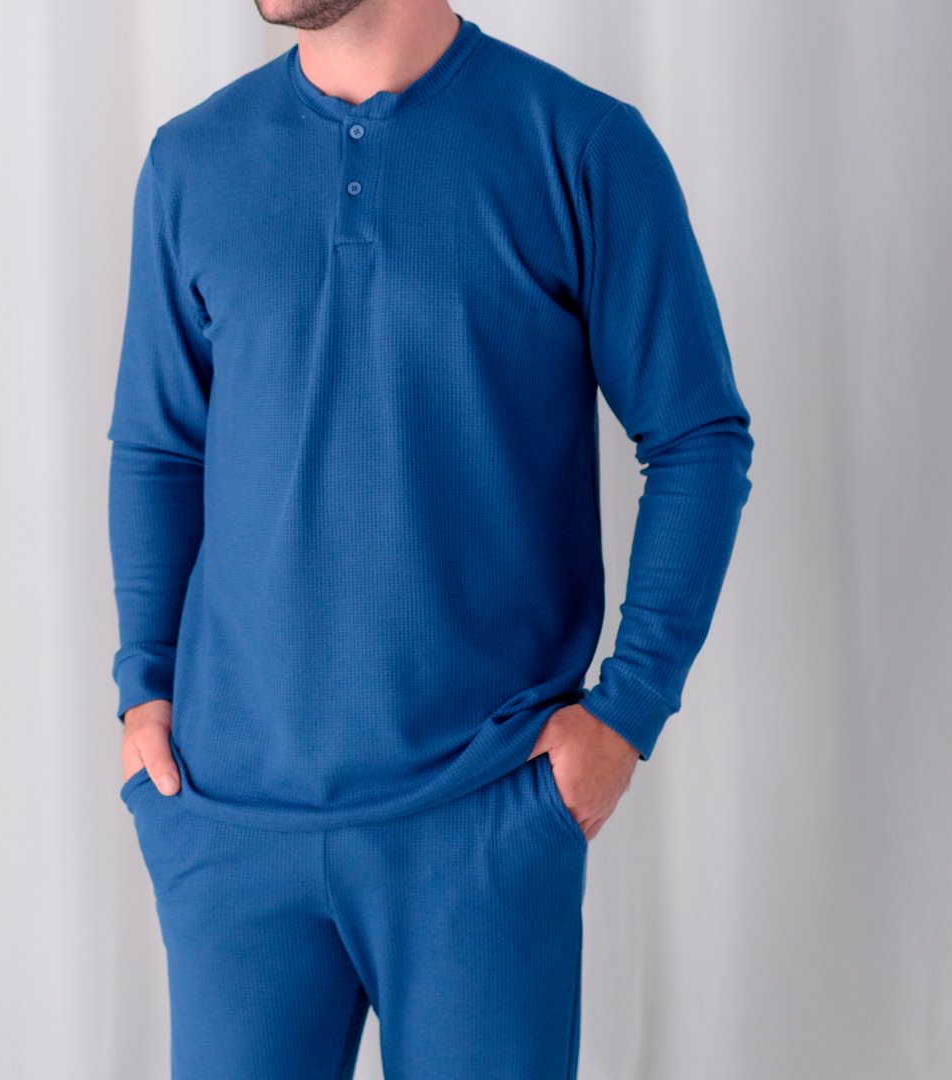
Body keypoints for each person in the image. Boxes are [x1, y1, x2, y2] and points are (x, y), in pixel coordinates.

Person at [106, 2, 754, 1076]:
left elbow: (696, 437)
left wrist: (626, 715)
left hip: (481, 815)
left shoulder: (578, 144)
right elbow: (160, 449)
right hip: (228, 822)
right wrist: (145, 693)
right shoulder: (191, 163)